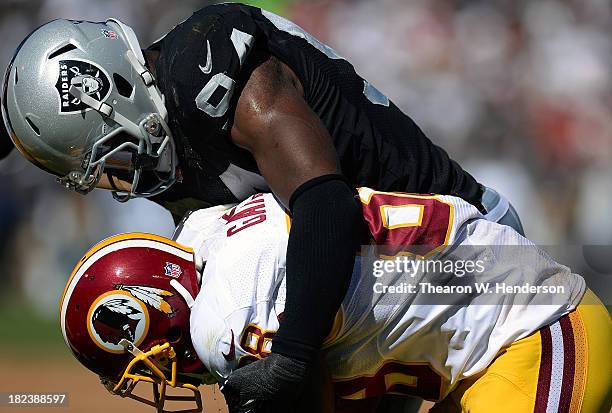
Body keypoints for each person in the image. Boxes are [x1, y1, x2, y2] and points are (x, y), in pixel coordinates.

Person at [3, 4, 524, 408]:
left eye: (115, 152)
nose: (125, 177)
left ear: (113, 88)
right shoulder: (165, 135)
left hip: (466, 254)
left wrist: (291, 354)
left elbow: (324, 203)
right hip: (379, 286)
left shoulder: (202, 65)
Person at [60, 188, 610, 413]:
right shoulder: (207, 233)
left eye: (142, 359)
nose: (161, 374)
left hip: (536, 331)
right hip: (488, 358)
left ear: (152, 307)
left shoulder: (223, 318)